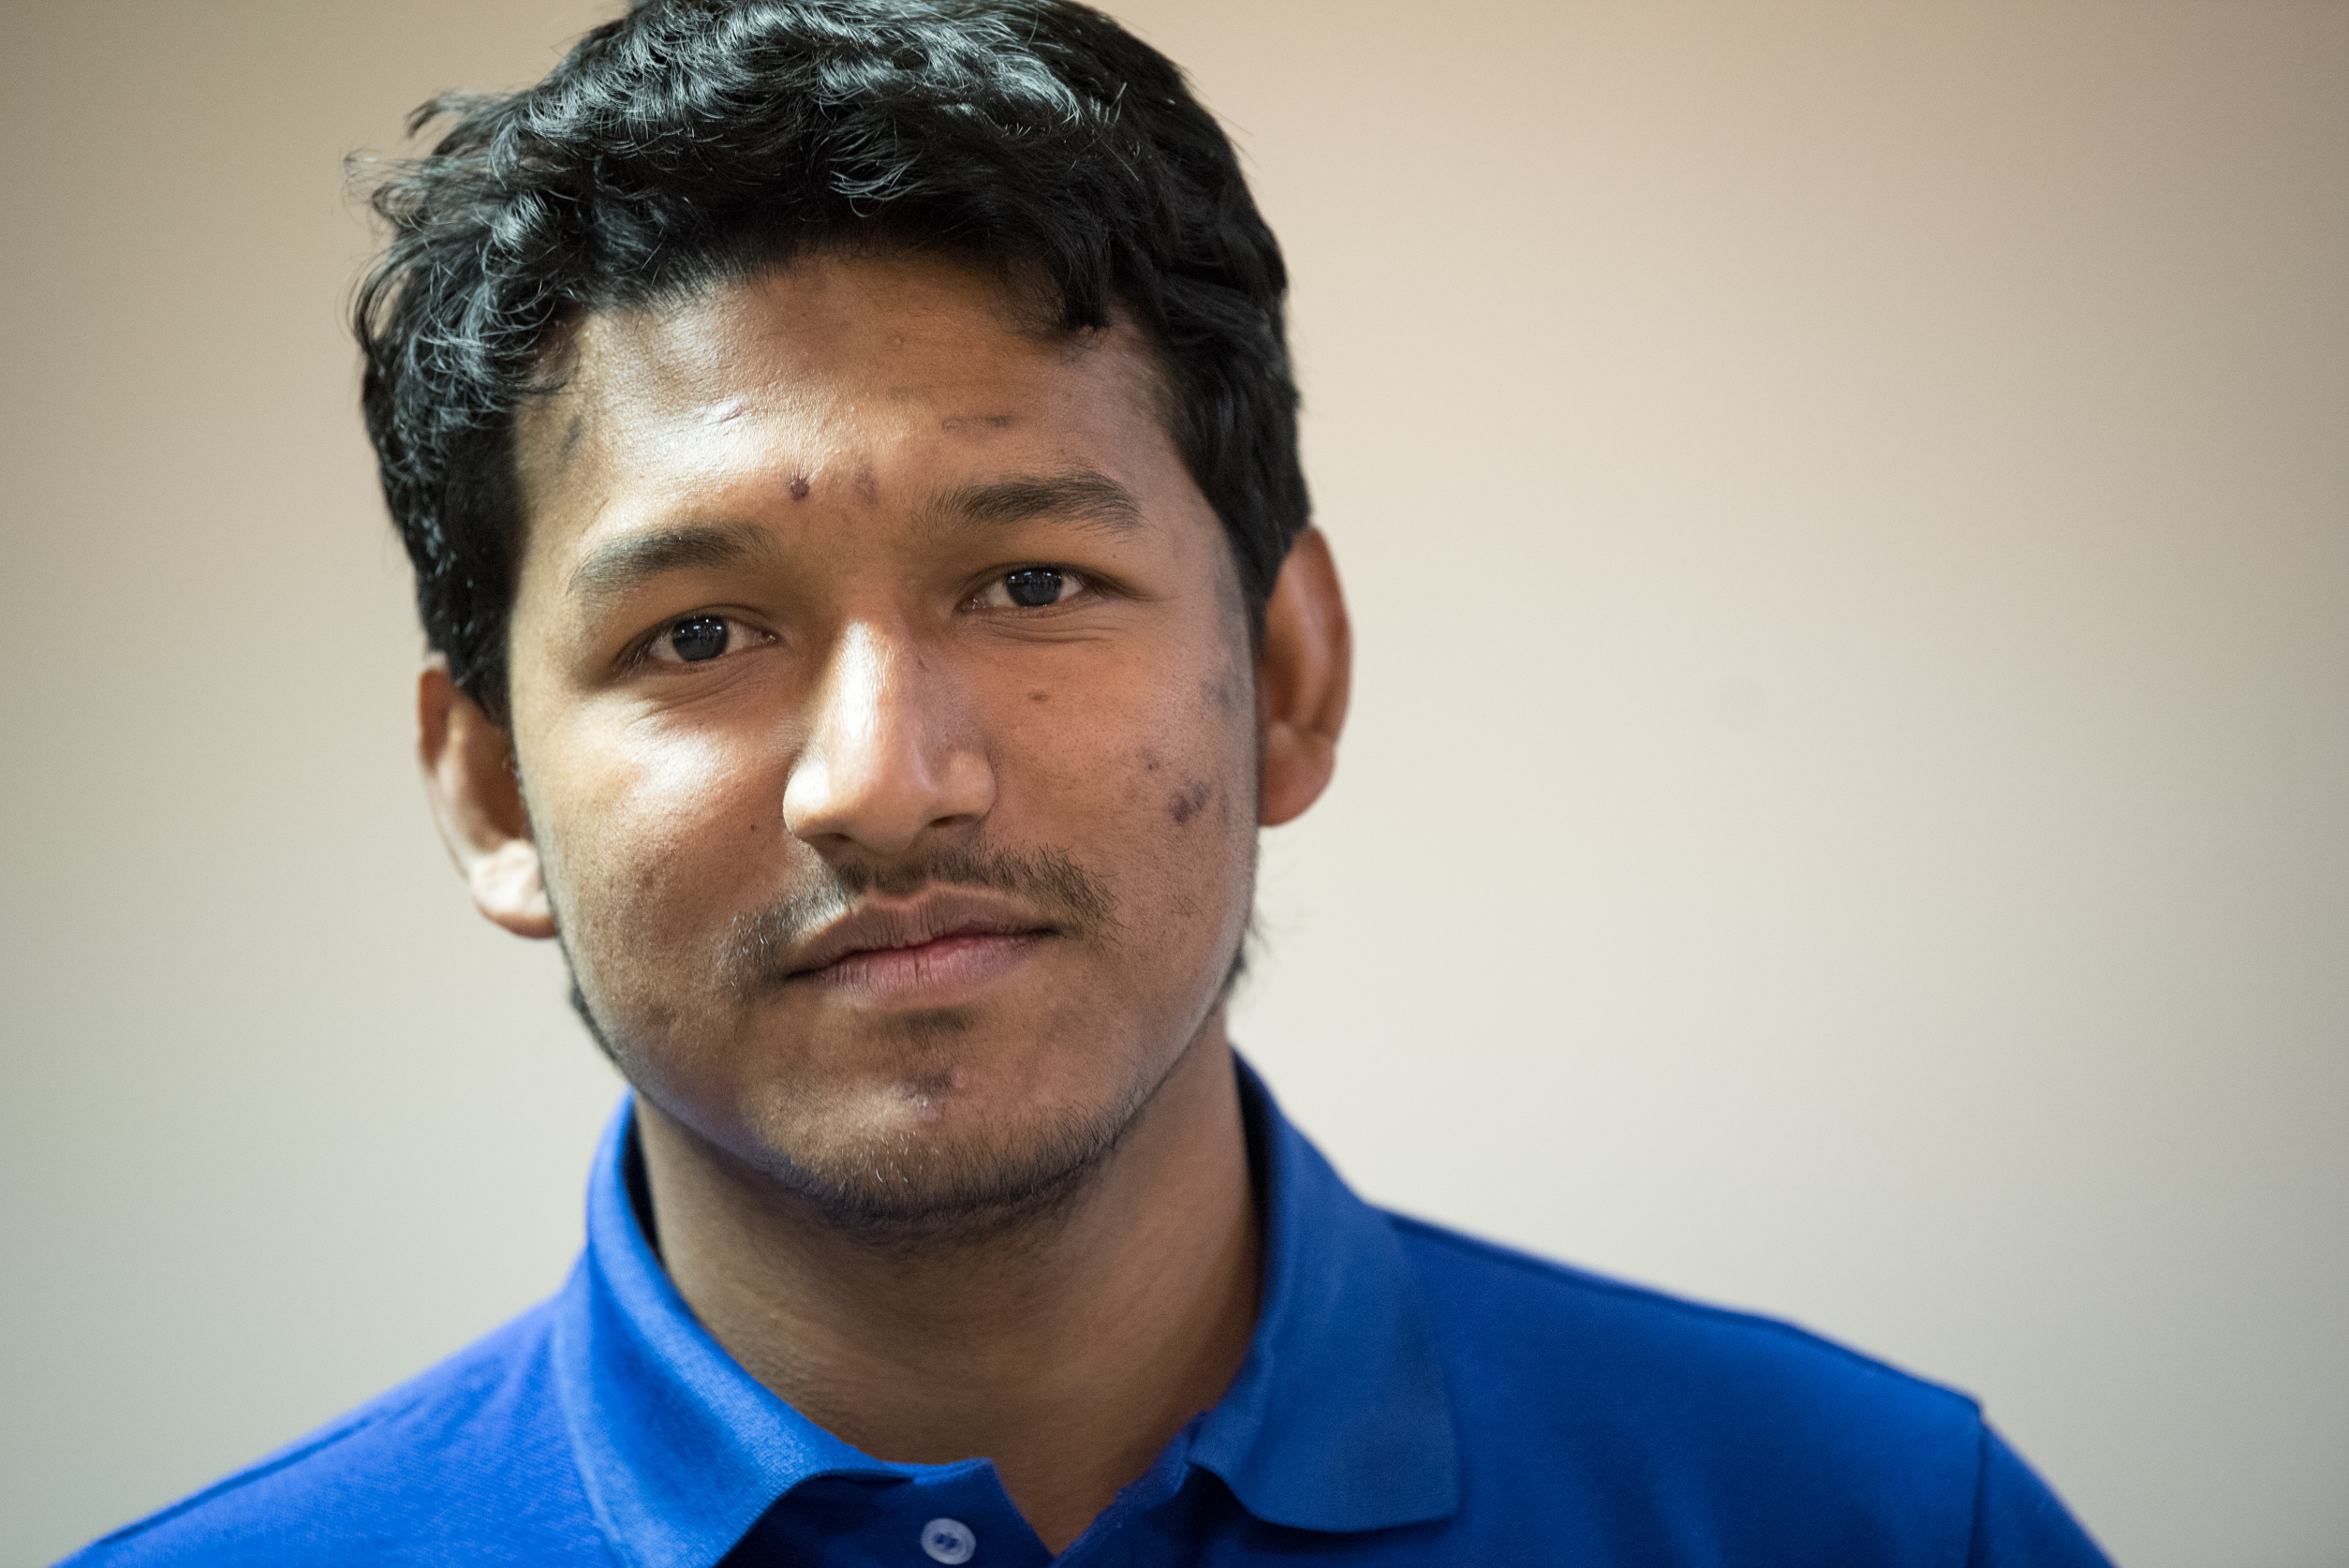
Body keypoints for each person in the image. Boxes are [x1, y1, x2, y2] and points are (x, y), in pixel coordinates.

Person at [65, 2, 2114, 1563]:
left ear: (1287, 676)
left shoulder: (1869, 1522)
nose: (885, 783)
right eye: (697, 633)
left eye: (1034, 579)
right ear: (495, 792)